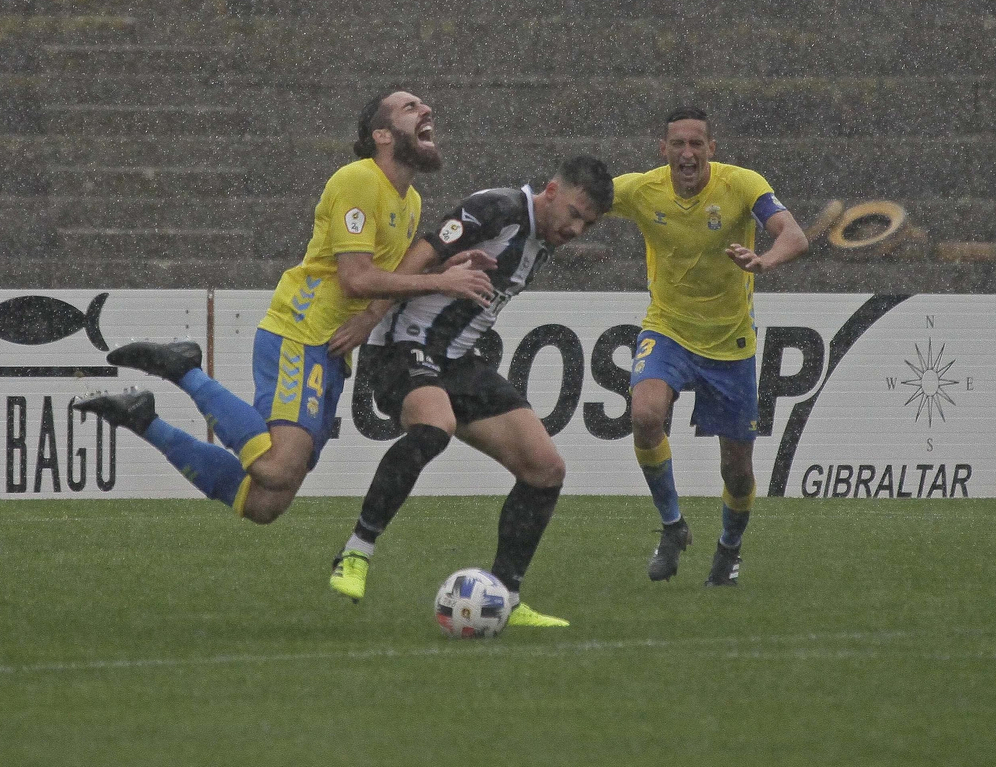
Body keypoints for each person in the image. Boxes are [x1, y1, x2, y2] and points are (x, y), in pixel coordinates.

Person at [71, 90, 496, 524]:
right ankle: (185, 369)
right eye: (410, 107)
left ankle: (144, 419)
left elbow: (387, 278)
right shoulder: (359, 180)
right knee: (275, 469)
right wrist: (439, 282)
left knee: (264, 504)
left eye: (422, 105)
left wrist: (432, 275)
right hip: (300, 329)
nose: (426, 109)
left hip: (331, 348)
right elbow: (356, 278)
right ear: (382, 135)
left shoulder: (410, 201)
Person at [327, 155, 616, 628]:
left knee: (545, 468)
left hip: (456, 360)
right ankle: (356, 553)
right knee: (434, 426)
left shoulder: (541, 239)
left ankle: (507, 596)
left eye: (588, 223)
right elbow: (420, 255)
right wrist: (368, 318)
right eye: (574, 214)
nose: (577, 229)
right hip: (402, 345)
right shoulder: (496, 209)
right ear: (550, 191)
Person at [608, 106, 811, 586]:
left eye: (696, 144)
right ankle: (673, 526)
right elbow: (579, 198)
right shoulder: (641, 190)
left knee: (736, 471)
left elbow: (795, 236)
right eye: (678, 144)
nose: (687, 153)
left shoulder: (741, 184)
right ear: (663, 149)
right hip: (668, 330)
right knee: (644, 416)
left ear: (711, 149)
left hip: (730, 343)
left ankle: (729, 549)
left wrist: (763, 261)